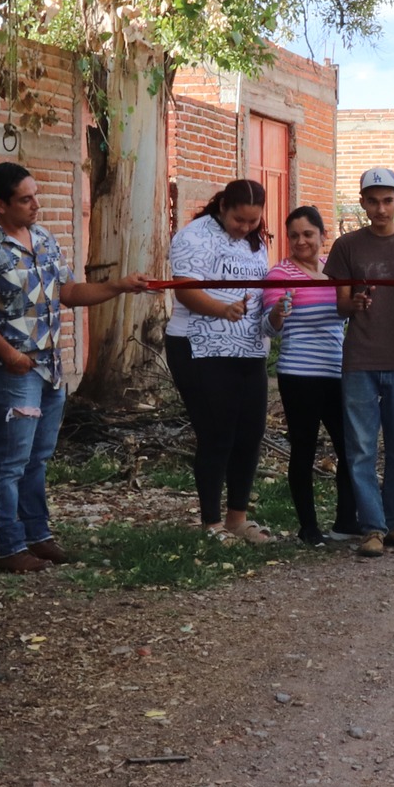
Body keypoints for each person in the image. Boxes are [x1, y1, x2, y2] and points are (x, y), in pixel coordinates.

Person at [0, 163, 150, 574]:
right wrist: (7, 354)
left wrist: (118, 286)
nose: (36, 205)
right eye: (25, 199)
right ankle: (10, 547)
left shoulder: (44, 238)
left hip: (50, 369)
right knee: (9, 461)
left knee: (37, 458)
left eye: (36, 195)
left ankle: (38, 535)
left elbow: (69, 292)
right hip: (13, 373)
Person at [325, 167, 394, 558]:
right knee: (361, 448)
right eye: (373, 200)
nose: (381, 208)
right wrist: (354, 304)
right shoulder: (347, 246)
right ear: (362, 203)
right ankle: (372, 527)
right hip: (360, 360)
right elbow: (340, 305)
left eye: (388, 200)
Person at [166, 180, 274, 544]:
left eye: (252, 221)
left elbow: (258, 292)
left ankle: (237, 519)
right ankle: (211, 522)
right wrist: (221, 309)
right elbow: (184, 289)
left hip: (248, 348)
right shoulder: (193, 236)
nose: (245, 227)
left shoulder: (255, 241)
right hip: (200, 348)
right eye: (238, 220)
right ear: (222, 206)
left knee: (250, 433)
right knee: (217, 434)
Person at [262, 205, 352, 548]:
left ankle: (346, 520)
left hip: (337, 370)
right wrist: (277, 313)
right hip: (299, 373)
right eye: (294, 236)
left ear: (322, 235)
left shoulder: (335, 269)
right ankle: (309, 527)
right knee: (304, 448)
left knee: (349, 446)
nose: (301, 241)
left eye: (308, 234)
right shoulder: (280, 274)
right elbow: (268, 327)